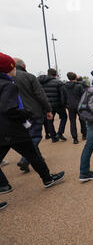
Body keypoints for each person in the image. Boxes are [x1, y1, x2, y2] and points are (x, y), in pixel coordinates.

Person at [0, 52, 65, 196]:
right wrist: (28, 114)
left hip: (3, 129)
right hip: (14, 127)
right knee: (32, 152)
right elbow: (10, 109)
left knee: (32, 152)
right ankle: (47, 179)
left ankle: (4, 185)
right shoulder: (9, 84)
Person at [13, 58, 53, 173]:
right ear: (24, 66)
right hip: (33, 111)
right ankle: (25, 159)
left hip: (16, 114)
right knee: (35, 137)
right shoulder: (29, 77)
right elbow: (40, 95)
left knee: (27, 137)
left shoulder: (6, 78)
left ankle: (38, 158)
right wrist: (48, 110)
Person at [38, 68, 67, 142]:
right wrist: (64, 104)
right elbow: (63, 95)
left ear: (47, 74)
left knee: (49, 120)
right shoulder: (58, 82)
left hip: (47, 104)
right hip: (58, 104)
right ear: (56, 74)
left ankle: (53, 137)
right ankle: (60, 133)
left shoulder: (41, 82)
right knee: (64, 117)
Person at [63, 72, 87, 144]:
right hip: (79, 106)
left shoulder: (64, 86)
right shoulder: (79, 86)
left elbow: (63, 97)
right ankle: (84, 134)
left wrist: (65, 105)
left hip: (70, 106)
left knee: (72, 122)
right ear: (75, 78)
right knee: (82, 120)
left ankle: (75, 138)